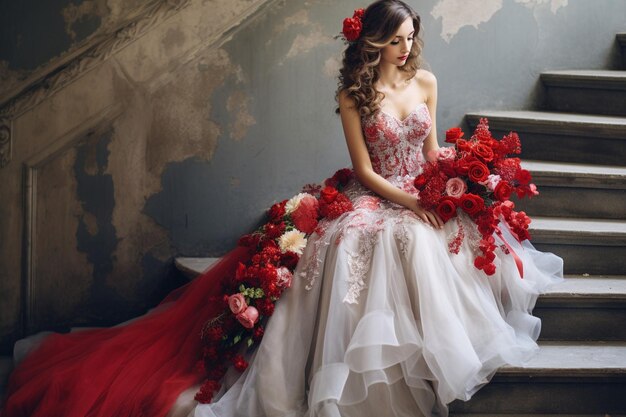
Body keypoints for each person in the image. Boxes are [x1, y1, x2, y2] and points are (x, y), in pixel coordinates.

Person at [2, 1, 564, 416]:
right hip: (380, 193)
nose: (406, 48)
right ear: (373, 43)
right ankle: (357, 377)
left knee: (443, 234)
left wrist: (456, 178)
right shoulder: (354, 93)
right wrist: (410, 202)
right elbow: (366, 171)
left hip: (420, 187)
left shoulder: (427, 80)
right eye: (396, 40)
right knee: (368, 238)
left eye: (411, 38)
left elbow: (432, 150)